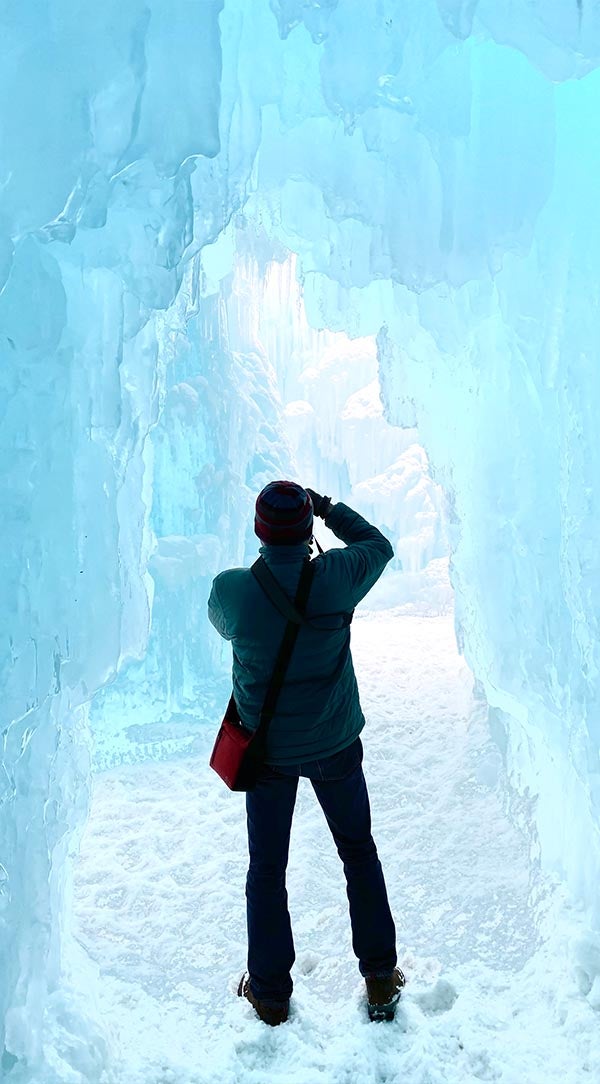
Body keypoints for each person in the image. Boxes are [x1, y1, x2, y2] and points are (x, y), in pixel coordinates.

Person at [208, 480, 404, 1025]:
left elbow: (224, 621)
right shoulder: (338, 578)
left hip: (267, 754)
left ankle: (269, 992)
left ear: (258, 531)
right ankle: (381, 978)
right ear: (308, 528)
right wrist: (329, 510)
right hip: (336, 743)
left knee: (267, 868)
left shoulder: (233, 591)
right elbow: (379, 546)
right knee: (358, 853)